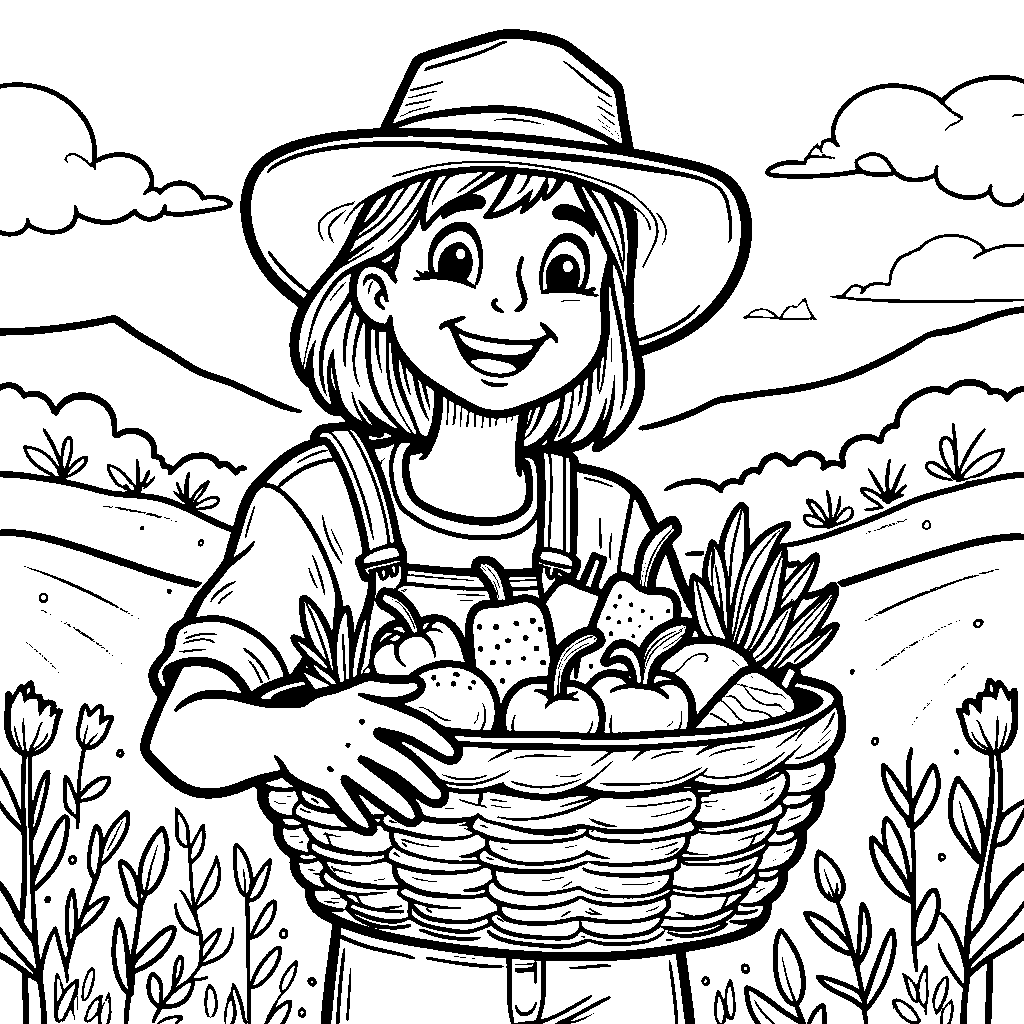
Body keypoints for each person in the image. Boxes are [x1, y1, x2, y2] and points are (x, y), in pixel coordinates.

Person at [144, 30, 749, 1024]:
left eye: (564, 268)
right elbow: (186, 733)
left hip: (622, 953)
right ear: (377, 290)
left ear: (609, 314)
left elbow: (677, 712)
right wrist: (294, 734)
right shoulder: (323, 503)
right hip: (410, 959)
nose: (509, 305)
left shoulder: (606, 517)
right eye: (459, 257)